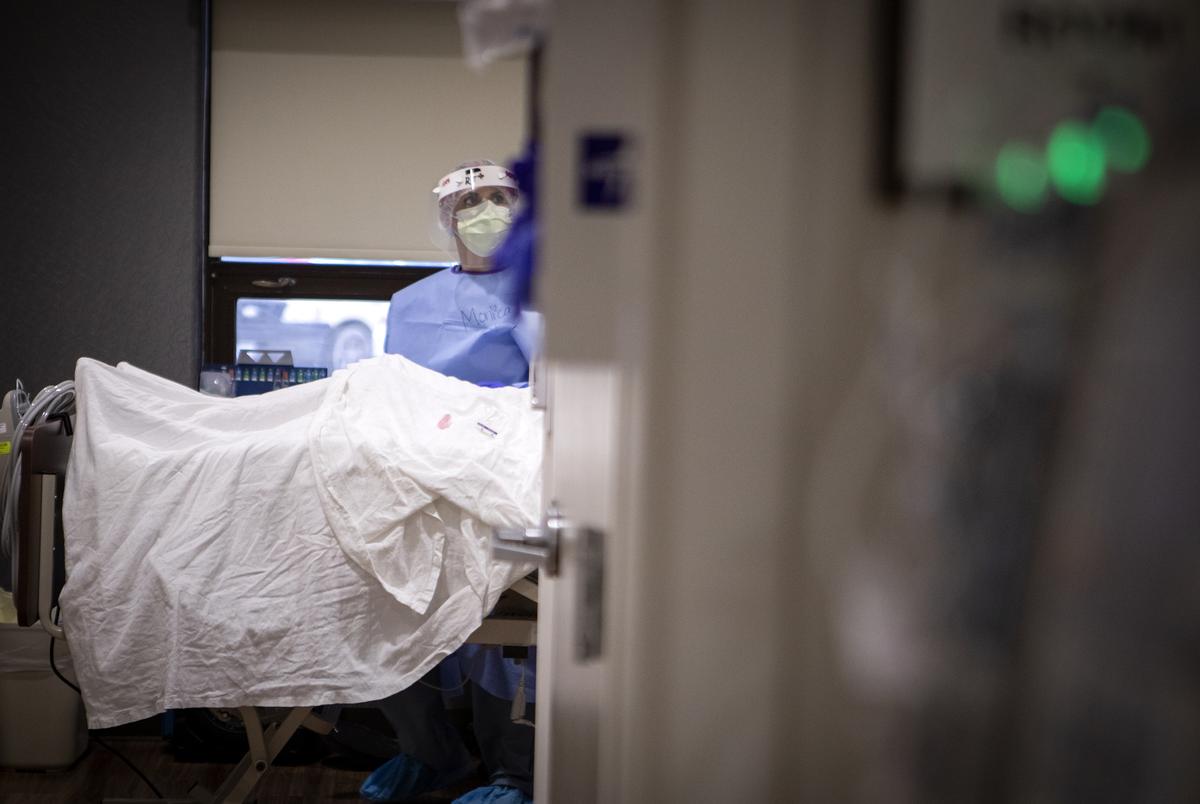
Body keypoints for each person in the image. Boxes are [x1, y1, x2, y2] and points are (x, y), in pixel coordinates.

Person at [360, 160, 539, 804]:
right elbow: (394, 393)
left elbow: (556, 390)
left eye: (497, 198)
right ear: (447, 217)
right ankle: (427, 750)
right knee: (371, 589)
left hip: (505, 463)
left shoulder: (545, 293)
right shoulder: (410, 304)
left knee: (506, 603)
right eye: (469, 200)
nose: (485, 209)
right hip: (422, 463)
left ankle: (513, 772)